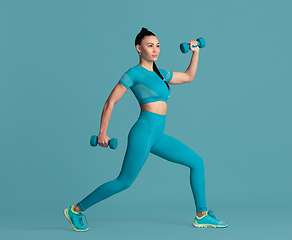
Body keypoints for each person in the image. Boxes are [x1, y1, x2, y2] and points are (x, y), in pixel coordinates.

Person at [63, 27, 227, 231]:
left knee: (197, 162)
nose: (155, 49)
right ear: (138, 48)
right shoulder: (134, 73)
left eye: (158, 45)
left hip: (157, 134)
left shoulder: (160, 72)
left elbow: (188, 76)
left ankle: (202, 215)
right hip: (144, 131)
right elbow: (110, 102)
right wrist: (102, 133)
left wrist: (196, 52)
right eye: (150, 46)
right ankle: (76, 210)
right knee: (124, 182)